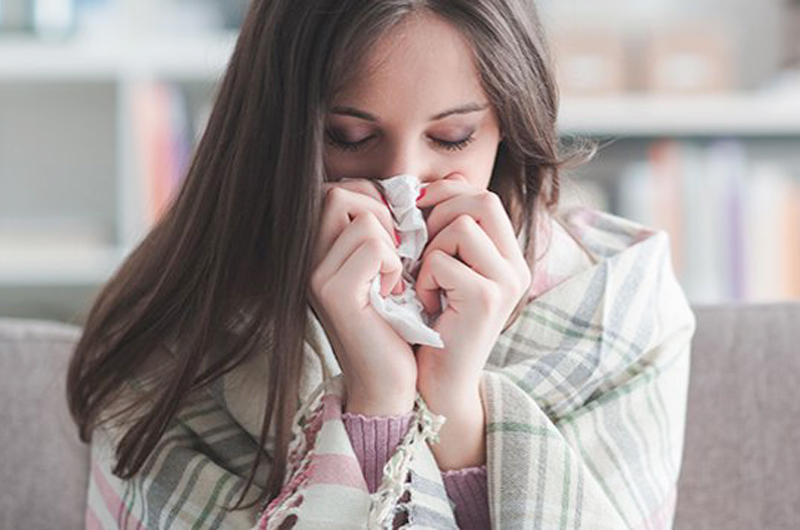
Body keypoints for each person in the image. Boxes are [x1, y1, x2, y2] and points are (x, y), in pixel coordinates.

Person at [67, 1, 696, 528]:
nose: (404, 183)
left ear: (509, 125)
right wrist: (377, 400)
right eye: (349, 136)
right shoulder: (179, 331)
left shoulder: (618, 299)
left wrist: (453, 401)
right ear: (275, 133)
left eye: (452, 138)